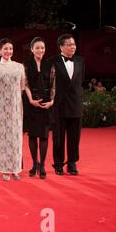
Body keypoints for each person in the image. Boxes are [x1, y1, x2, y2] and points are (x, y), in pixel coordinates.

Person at [0, 38, 26, 181]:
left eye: (10, 48)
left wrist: (15, 102)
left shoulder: (19, 66)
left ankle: (15, 168)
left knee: (16, 138)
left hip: (16, 107)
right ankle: (4, 169)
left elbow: (22, 87)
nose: (8, 51)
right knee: (3, 138)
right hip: (1, 109)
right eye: (5, 48)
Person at [49, 34, 85, 176]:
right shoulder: (52, 61)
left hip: (75, 103)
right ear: (61, 47)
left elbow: (80, 81)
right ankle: (58, 164)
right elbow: (50, 83)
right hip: (59, 105)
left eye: (74, 44)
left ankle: (72, 163)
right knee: (58, 137)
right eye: (69, 44)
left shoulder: (81, 61)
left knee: (74, 137)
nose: (73, 47)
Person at [23, 37, 55, 180]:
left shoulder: (50, 65)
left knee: (44, 136)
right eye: (37, 48)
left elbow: (54, 85)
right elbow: (25, 84)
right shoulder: (26, 65)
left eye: (42, 48)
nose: (40, 50)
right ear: (31, 49)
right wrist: (31, 100)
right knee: (32, 136)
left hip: (46, 104)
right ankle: (34, 164)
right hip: (31, 104)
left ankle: (42, 165)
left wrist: (52, 101)